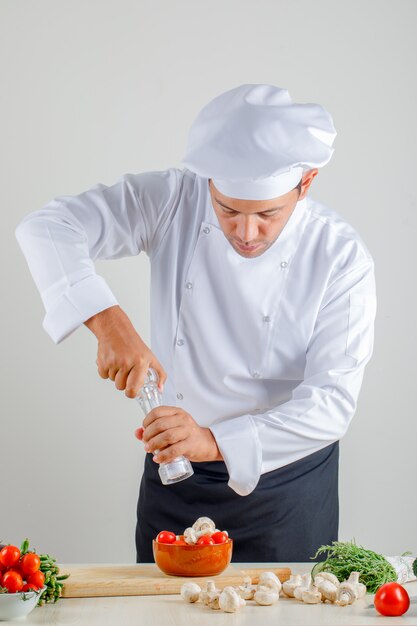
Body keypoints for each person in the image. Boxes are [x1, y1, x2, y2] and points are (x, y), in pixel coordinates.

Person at [16, 84, 376, 563]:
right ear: (207, 182)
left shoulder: (341, 257)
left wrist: (211, 440)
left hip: (286, 489)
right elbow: (47, 227)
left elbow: (332, 404)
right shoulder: (173, 199)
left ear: (305, 184)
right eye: (228, 210)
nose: (246, 233)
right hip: (176, 477)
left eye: (267, 214)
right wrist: (108, 321)